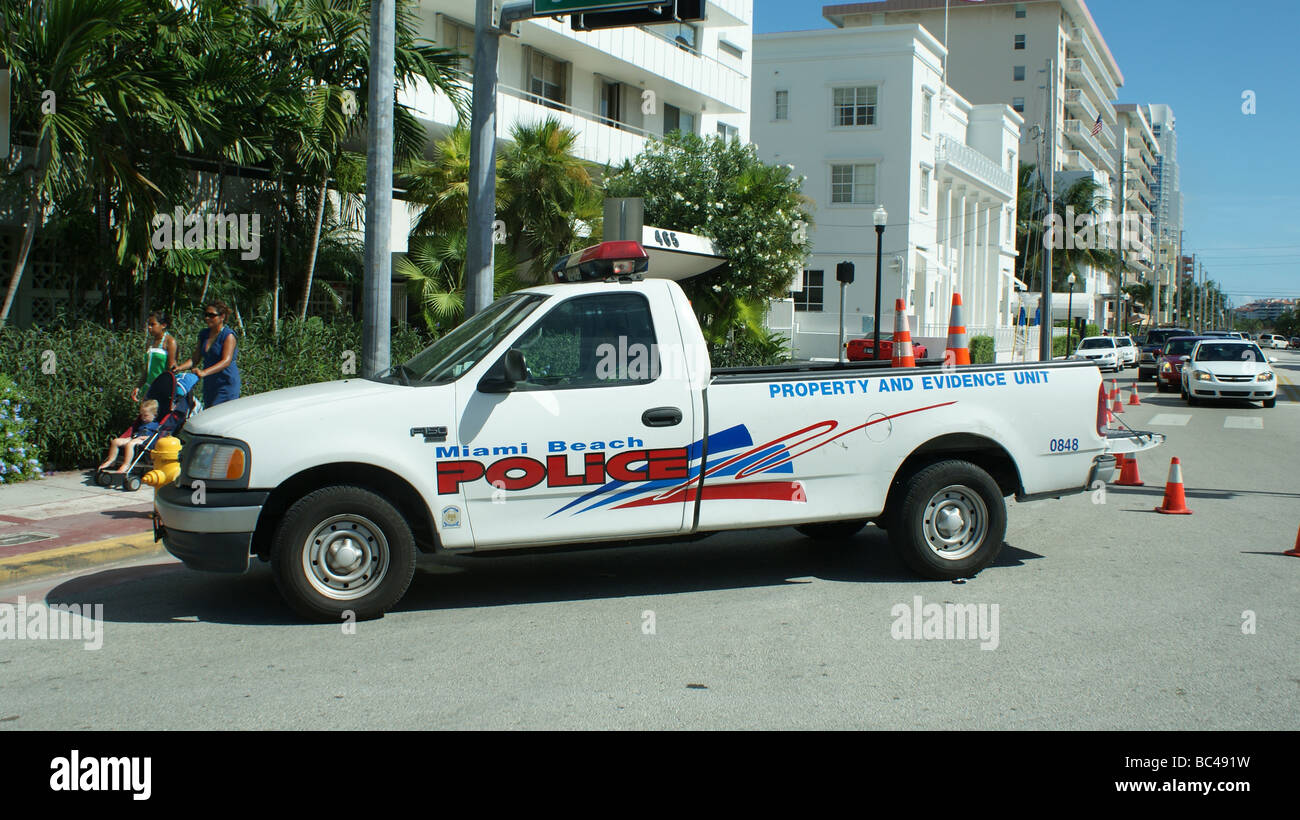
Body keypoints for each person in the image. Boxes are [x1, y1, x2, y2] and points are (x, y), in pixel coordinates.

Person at [175, 301, 241, 408]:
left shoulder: (228, 335)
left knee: (220, 415)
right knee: (209, 412)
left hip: (225, 383)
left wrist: (204, 372)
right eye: (206, 315)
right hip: (210, 384)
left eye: (211, 315)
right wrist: (179, 367)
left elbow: (226, 361)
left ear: (222, 317)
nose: (207, 318)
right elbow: (195, 358)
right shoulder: (204, 334)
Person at [97, 399, 160, 473]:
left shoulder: (155, 425)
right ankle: (111, 460)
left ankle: (126, 464)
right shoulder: (141, 423)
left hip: (146, 442)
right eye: (141, 415)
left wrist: (141, 438)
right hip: (135, 438)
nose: (143, 417)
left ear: (154, 415)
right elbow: (135, 431)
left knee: (130, 444)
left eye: (145, 415)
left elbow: (153, 436)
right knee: (115, 441)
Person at [131, 311, 177, 403]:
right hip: (148, 389)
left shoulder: (169, 342)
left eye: (152, 324)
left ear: (163, 325)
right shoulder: (150, 343)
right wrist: (138, 386)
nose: (149, 327)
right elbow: (147, 370)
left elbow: (172, 370)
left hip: (162, 390)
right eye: (148, 324)